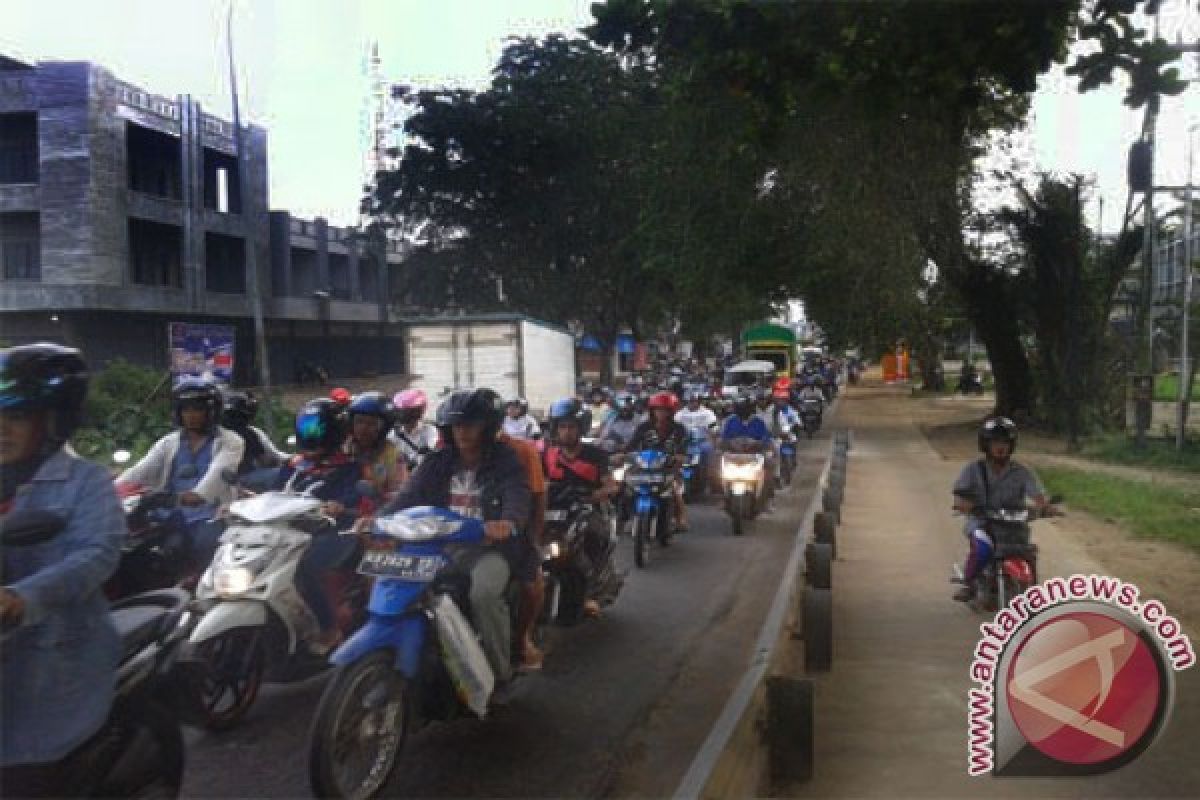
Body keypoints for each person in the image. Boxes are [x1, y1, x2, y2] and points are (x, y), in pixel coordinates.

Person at [0, 344, 124, 796]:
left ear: (52, 421)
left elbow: (97, 554)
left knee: (28, 778)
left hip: (54, 656)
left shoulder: (86, 482)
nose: (1, 429)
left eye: (15, 417)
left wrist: (21, 597)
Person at [382, 390, 532, 684]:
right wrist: (380, 520)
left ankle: (500, 671)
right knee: (399, 586)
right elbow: (409, 495)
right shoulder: (437, 461)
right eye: (456, 425)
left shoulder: (505, 460)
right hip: (440, 546)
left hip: (490, 549)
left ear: (487, 427)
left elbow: (518, 494)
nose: (463, 431)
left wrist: (508, 522)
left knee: (484, 595)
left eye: (471, 425)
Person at [117, 377, 244, 569]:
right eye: (186, 409)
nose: (191, 415)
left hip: (209, 515)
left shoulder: (230, 441)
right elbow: (140, 471)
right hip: (166, 515)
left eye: (198, 409)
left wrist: (192, 496)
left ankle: (206, 593)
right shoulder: (168, 442)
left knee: (207, 549)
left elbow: (216, 477)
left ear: (211, 412)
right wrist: (111, 489)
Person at [274, 398, 365, 652]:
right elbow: (275, 493)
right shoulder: (292, 465)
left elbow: (353, 498)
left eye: (316, 429)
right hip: (291, 532)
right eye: (305, 428)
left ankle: (329, 628)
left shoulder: (349, 468)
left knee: (304, 564)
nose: (309, 435)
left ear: (334, 432)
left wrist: (338, 505)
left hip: (338, 532)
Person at [951, 417, 1056, 603]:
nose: (1001, 447)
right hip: (982, 522)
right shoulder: (973, 469)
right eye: (995, 443)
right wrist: (963, 504)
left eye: (1005, 443)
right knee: (983, 549)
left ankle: (1032, 591)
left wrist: (1046, 507)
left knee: (1029, 552)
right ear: (986, 445)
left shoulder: (1022, 471)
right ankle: (970, 583)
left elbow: (1037, 495)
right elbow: (960, 495)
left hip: (1014, 524)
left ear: (1012, 445)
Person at [543, 398, 620, 616]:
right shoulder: (547, 455)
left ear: (581, 429)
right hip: (553, 510)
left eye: (571, 427)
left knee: (592, 538)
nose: (566, 432)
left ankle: (590, 593)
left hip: (587, 509)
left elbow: (610, 485)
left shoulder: (596, 454)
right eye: (562, 427)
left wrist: (594, 495)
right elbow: (537, 481)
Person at [495, 423, 548, 671]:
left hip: (514, 531)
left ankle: (521, 638)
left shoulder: (521, 451)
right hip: (460, 535)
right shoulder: (448, 452)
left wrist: (534, 538)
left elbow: (537, 496)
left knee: (531, 583)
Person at [629, 391, 690, 531]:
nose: (660, 413)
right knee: (626, 486)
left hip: (669, 467)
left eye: (664, 410)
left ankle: (681, 518)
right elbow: (632, 444)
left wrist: (680, 455)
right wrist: (621, 453)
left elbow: (684, 447)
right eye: (657, 409)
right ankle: (627, 517)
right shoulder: (643, 427)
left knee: (675, 489)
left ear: (671, 411)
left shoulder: (679, 429)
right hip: (643, 467)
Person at [221, 389, 288, 490]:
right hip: (242, 479)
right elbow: (265, 460)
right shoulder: (248, 432)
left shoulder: (216, 432)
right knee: (284, 474)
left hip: (224, 479)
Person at [345, 391, 406, 503]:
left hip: (374, 513)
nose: (363, 428)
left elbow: (399, 495)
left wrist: (379, 495)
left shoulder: (392, 455)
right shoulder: (343, 448)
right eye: (359, 421)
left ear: (384, 428)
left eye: (371, 423)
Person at [719, 394, 776, 509]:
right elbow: (723, 438)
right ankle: (723, 497)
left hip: (755, 455)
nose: (743, 411)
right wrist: (726, 444)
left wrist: (758, 443)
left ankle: (768, 500)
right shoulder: (731, 422)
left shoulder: (759, 422)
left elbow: (766, 438)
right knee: (717, 469)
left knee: (769, 466)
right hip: (733, 456)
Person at [390, 388, 440, 471]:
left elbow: (432, 449)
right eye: (401, 411)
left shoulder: (430, 430)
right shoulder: (393, 434)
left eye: (407, 412)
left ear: (418, 412)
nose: (402, 414)